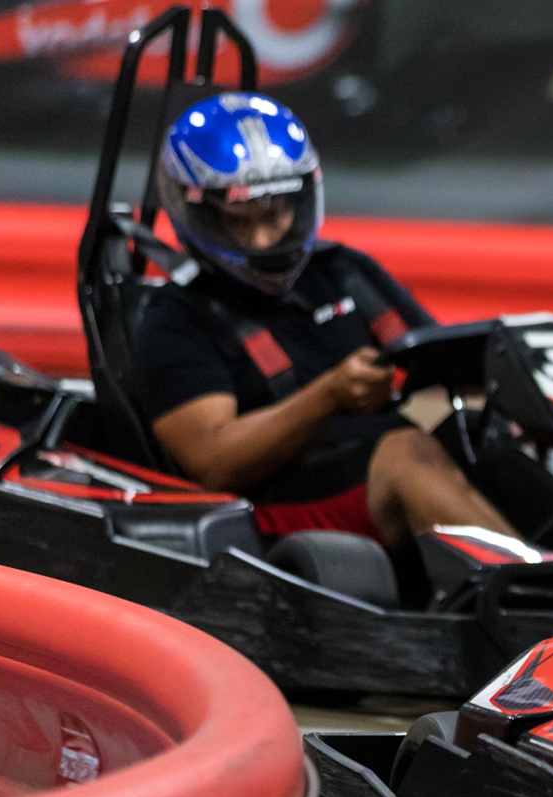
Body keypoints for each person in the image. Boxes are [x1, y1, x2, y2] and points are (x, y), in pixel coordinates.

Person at [132, 92, 514, 548]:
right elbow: (212, 462)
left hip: (373, 466)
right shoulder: (175, 318)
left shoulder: (342, 272)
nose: (263, 237)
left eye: (275, 214)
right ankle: (544, 599)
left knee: (489, 441)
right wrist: (328, 397)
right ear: (196, 210)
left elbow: (441, 359)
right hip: (273, 504)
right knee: (406, 453)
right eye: (239, 221)